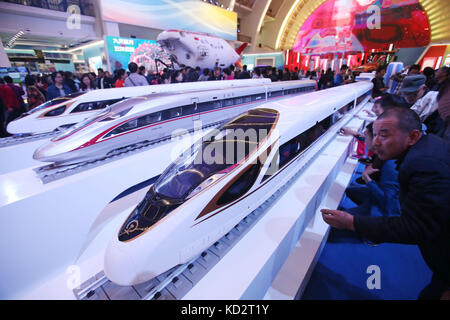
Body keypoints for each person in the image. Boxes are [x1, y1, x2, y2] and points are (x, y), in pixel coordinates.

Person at [321, 107, 450, 300]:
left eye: (384, 135)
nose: (375, 144)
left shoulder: (422, 164)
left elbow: (412, 224)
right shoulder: (427, 148)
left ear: (413, 136)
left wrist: (351, 222)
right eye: (376, 135)